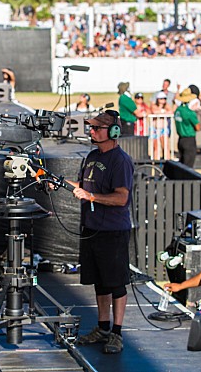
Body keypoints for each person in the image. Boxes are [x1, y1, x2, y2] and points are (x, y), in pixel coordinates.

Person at [68, 111, 134, 355]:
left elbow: (121, 197)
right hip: (91, 228)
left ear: (113, 132)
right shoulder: (91, 156)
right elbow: (82, 186)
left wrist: (92, 196)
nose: (92, 132)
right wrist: (58, 182)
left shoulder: (121, 160)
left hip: (113, 231)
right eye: (91, 128)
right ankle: (103, 327)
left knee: (116, 282)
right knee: (99, 282)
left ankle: (116, 333)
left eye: (97, 128)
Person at [174, 88, 200, 167]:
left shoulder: (177, 110)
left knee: (182, 164)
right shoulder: (189, 112)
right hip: (189, 140)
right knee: (188, 166)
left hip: (181, 139)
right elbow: (197, 127)